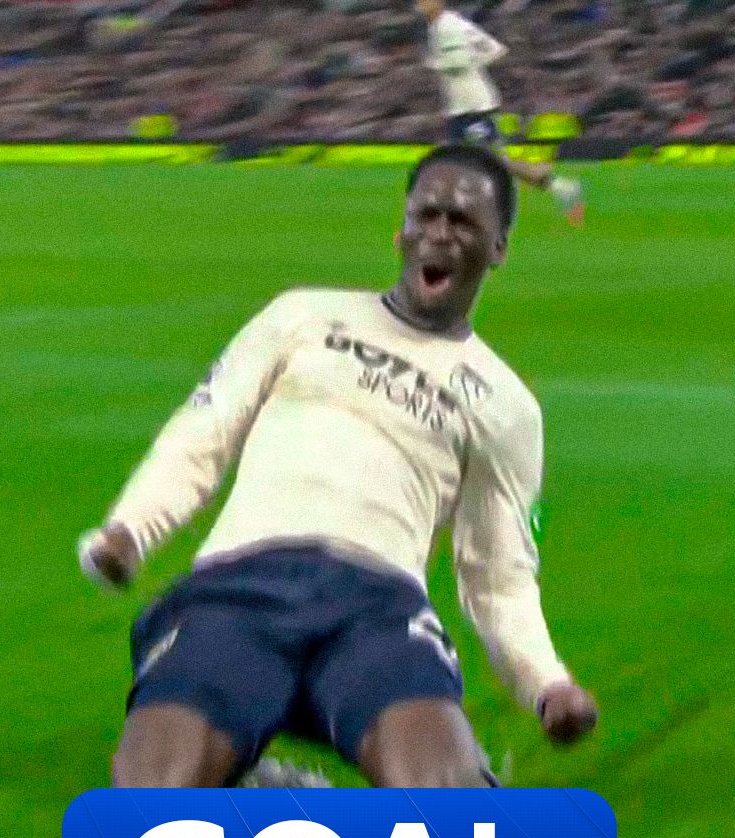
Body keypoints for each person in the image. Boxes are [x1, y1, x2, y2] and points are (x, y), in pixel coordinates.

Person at [79, 144, 599, 789]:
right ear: (401, 229)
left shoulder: (506, 406)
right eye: (427, 214)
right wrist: (131, 530)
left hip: (377, 610)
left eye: (463, 222)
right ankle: (265, 795)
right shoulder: (302, 315)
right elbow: (204, 433)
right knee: (145, 808)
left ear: (498, 248)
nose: (440, 233)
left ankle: (288, 795)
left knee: (448, 815)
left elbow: (498, 578)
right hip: (239, 588)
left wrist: (547, 685)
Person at [416, 0, 585, 226]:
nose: (420, 4)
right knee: (464, 162)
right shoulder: (449, 23)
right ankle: (558, 187)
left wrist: (433, 63)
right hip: (465, 107)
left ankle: (560, 187)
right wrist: (473, 64)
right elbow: (495, 49)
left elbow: (459, 62)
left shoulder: (447, 27)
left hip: (472, 107)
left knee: (488, 161)